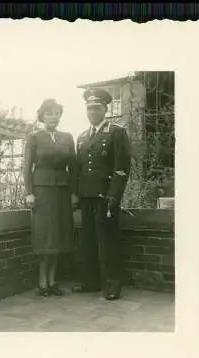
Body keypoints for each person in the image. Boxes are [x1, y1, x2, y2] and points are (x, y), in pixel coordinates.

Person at [72, 88, 131, 301]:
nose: (92, 112)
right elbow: (78, 169)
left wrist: (113, 196)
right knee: (87, 240)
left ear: (105, 109)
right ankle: (90, 282)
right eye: (89, 108)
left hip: (105, 196)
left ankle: (112, 285)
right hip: (86, 196)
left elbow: (121, 168)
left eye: (97, 108)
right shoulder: (82, 137)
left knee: (107, 241)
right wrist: (75, 195)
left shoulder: (116, 132)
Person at [24, 99, 79, 297]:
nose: (53, 117)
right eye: (49, 113)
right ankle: (42, 283)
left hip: (62, 191)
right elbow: (27, 167)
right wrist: (29, 192)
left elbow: (73, 168)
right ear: (42, 115)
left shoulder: (67, 137)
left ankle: (53, 281)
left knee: (59, 235)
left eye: (56, 113)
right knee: (44, 235)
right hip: (42, 191)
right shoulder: (34, 137)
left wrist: (73, 192)